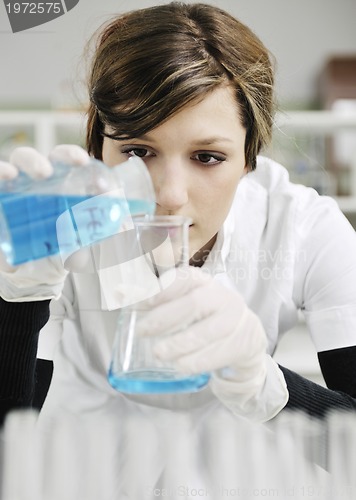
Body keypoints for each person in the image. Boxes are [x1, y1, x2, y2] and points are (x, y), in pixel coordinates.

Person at [1, 1, 356, 433]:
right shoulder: (64, 225)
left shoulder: (303, 227)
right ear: (98, 147)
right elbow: (9, 443)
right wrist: (17, 304)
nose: (168, 195)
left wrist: (264, 384)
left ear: (249, 159)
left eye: (207, 157)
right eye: (137, 151)